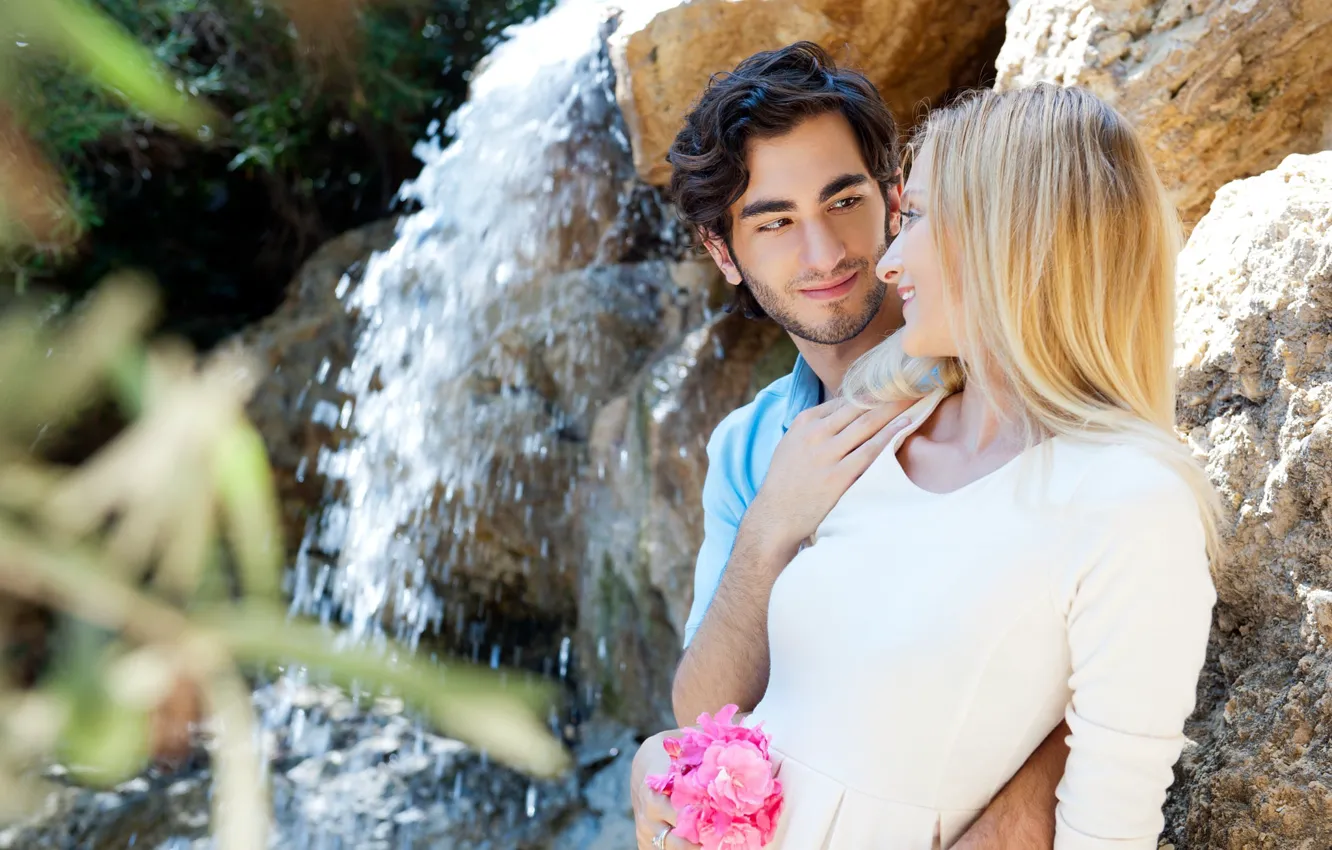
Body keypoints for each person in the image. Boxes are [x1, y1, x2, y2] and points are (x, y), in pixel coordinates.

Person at [641, 79, 1221, 849]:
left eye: (902, 215)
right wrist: (664, 766)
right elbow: (723, 711)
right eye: (776, 222)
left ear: (1009, 236)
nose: (878, 260)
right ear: (724, 253)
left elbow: (1108, 798)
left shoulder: (1128, 499)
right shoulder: (838, 435)